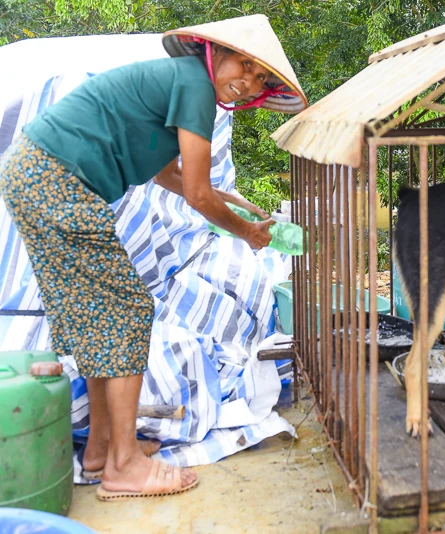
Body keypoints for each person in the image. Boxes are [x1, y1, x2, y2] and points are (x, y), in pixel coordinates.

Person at [0, 15, 306, 500]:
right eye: (243, 66)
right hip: (56, 180)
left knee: (95, 315)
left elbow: (169, 176)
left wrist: (230, 199)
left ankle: (102, 449)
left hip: (34, 175)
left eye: (261, 80)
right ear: (214, 54)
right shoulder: (195, 85)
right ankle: (124, 466)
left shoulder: (178, 84)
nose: (248, 82)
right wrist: (247, 233)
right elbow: (197, 194)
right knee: (127, 310)